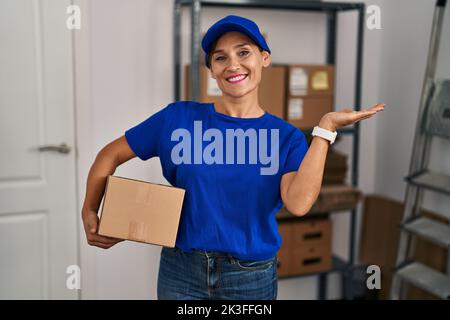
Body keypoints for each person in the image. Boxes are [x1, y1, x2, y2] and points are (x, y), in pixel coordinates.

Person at [81, 15, 385, 300]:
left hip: (250, 277)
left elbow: (299, 203)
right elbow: (110, 154)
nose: (233, 64)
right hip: (181, 272)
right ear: (211, 69)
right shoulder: (178, 119)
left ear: (264, 58)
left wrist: (325, 130)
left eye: (244, 52)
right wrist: (90, 209)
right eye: (220, 57)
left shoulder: (286, 137)